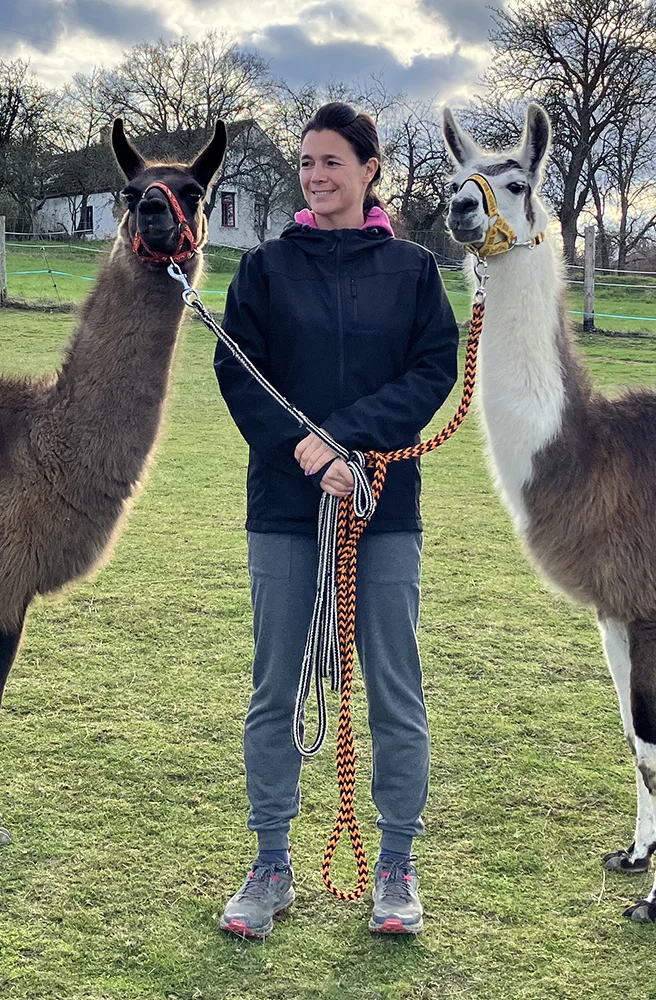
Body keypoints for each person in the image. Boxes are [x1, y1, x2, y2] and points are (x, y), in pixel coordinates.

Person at [211, 102, 459, 938]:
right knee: (274, 689)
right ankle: (271, 864)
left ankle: (395, 863)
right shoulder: (267, 269)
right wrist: (302, 452)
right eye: (307, 163)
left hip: (384, 509)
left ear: (369, 169)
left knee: (396, 692)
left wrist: (343, 443)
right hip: (284, 510)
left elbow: (434, 371)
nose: (316, 177)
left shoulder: (414, 272)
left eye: (332, 163)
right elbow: (238, 370)